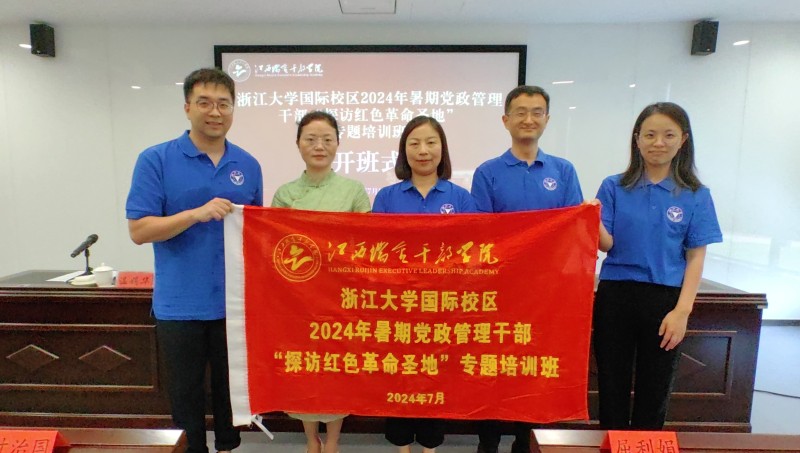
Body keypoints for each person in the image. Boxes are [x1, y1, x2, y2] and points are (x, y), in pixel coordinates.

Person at [126, 68, 263, 453]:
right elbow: (139, 230)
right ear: (187, 107)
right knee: (185, 398)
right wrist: (194, 214)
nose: (215, 112)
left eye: (223, 104)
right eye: (205, 103)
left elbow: (256, 233)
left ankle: (228, 449)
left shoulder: (248, 164)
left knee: (231, 397)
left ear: (233, 110)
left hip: (233, 306)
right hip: (180, 305)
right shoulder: (156, 159)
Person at [593, 102, 722, 429]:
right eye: (649, 135)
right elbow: (605, 244)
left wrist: (682, 312)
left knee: (655, 389)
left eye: (668, 135)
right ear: (637, 139)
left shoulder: (695, 194)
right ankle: (613, 447)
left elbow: (696, 256)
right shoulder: (613, 186)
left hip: (666, 300)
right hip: (615, 295)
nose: (658, 143)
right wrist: (590, 218)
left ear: (683, 140)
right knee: (611, 386)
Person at [470, 85, 584, 453]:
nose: (528, 119)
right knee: (492, 370)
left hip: (546, 294)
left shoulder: (563, 171)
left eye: (537, 112)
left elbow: (572, 228)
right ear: (505, 120)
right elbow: (483, 234)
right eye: (520, 112)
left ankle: (525, 443)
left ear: (547, 120)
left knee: (533, 370)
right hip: (499, 292)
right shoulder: (487, 172)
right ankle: (487, 444)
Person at [373, 116, 476, 453]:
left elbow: (472, 252)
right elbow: (376, 252)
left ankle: (430, 446)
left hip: (442, 308)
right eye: (414, 143)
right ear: (404, 150)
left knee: (435, 377)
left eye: (431, 142)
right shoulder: (387, 197)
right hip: (398, 307)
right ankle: (402, 446)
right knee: (399, 377)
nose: (423, 150)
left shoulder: (460, 198)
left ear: (442, 149)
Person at [272, 110, 370, 453]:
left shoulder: (354, 190)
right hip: (298, 297)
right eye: (311, 139)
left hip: (340, 296)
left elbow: (364, 243)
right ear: (298, 144)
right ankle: (310, 438)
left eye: (327, 139)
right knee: (306, 369)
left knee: (335, 371)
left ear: (338, 144)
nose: (319, 146)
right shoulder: (285, 193)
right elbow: (276, 246)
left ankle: (332, 440)